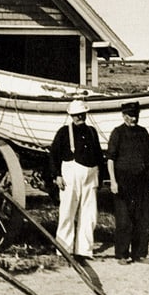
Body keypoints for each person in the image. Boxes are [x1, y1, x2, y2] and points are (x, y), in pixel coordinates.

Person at [50, 99, 105, 261]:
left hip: (91, 174)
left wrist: (99, 178)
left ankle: (84, 250)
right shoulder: (63, 132)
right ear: (71, 116)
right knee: (67, 211)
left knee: (89, 214)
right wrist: (57, 175)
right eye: (75, 115)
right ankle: (64, 249)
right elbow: (54, 154)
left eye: (81, 114)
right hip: (71, 174)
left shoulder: (92, 132)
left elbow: (99, 156)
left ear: (86, 114)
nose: (79, 117)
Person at [107, 101, 149, 264]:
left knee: (141, 218)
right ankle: (122, 254)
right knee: (124, 219)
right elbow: (110, 159)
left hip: (141, 181)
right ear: (124, 116)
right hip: (123, 181)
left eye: (136, 115)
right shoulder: (117, 133)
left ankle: (140, 254)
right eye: (130, 116)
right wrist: (113, 181)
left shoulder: (143, 133)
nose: (133, 119)